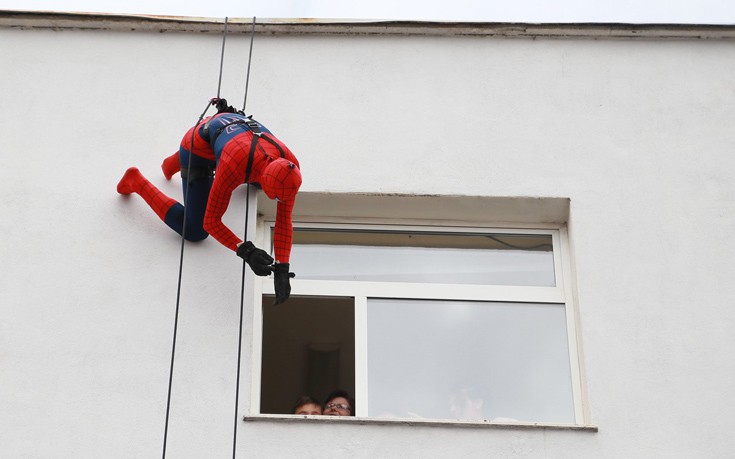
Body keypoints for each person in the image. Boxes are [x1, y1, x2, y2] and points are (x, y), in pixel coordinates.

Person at [116, 99, 302, 304]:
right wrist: (246, 251)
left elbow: (285, 221)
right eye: (275, 196)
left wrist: (283, 269)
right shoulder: (234, 165)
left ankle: (171, 165)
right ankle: (137, 181)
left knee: (251, 183)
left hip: (227, 129)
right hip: (202, 146)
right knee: (195, 230)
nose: (276, 201)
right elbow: (211, 222)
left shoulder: (289, 167)